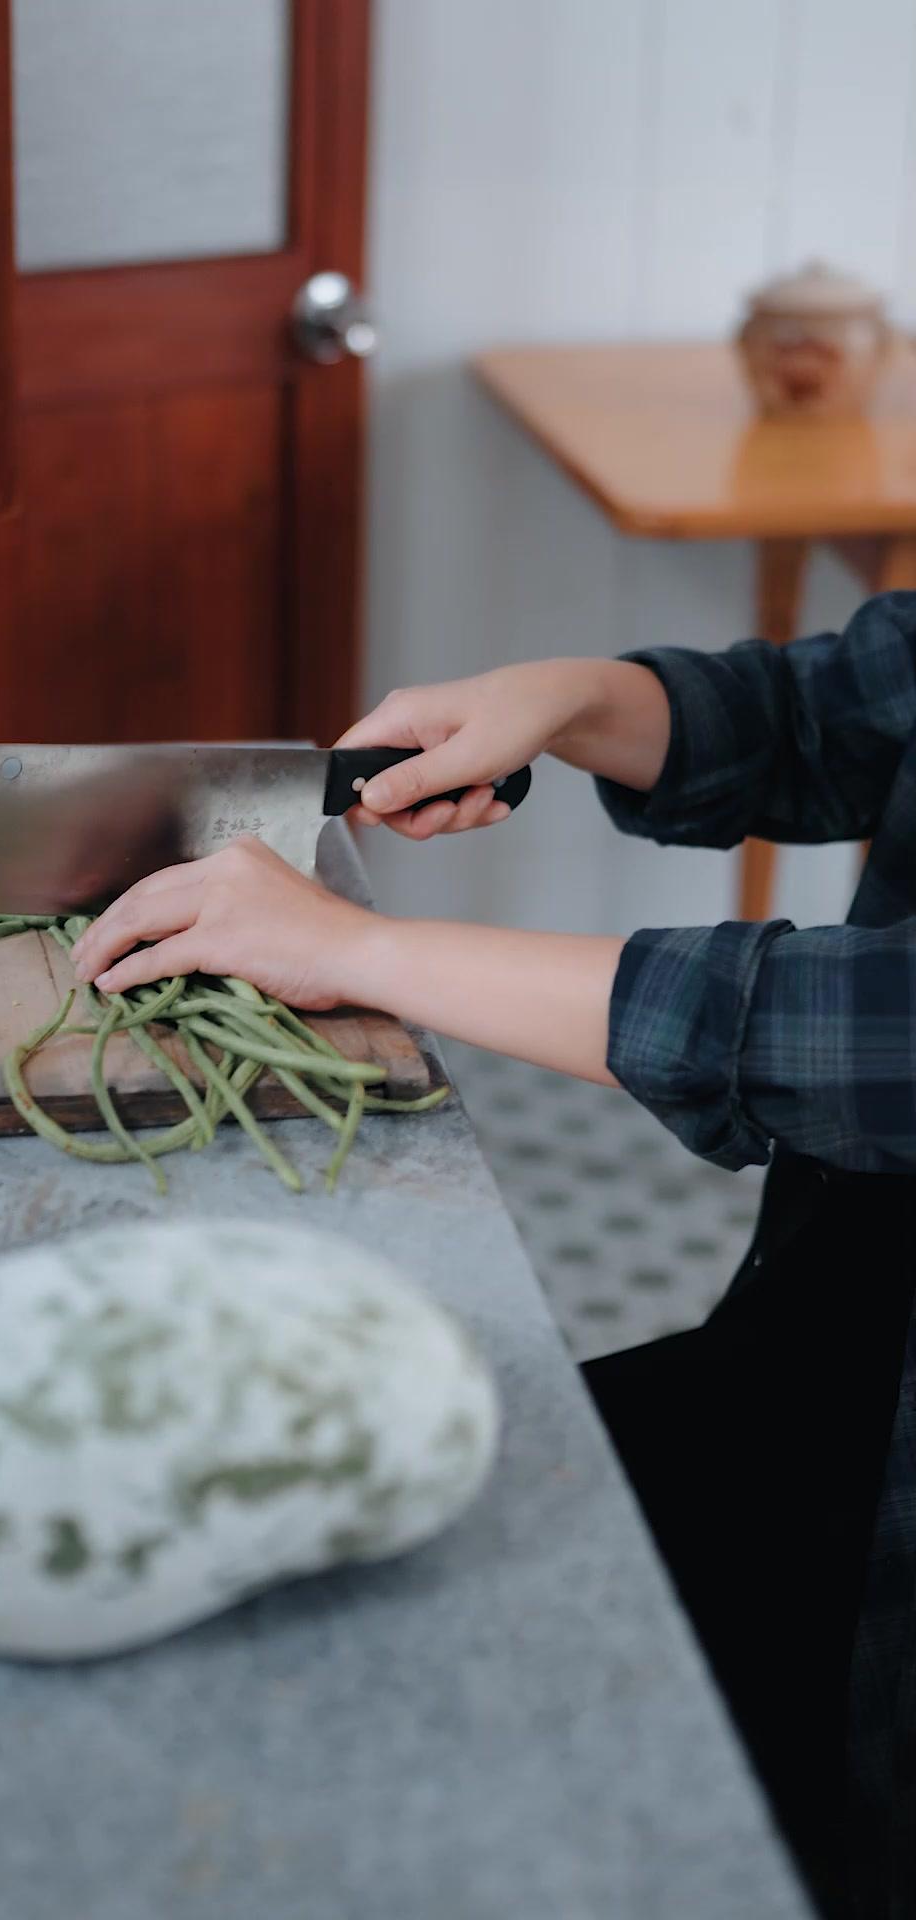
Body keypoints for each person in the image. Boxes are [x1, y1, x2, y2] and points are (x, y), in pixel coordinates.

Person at [72, 592, 916, 1919]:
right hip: (842, 1311)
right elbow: (843, 705)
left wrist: (358, 951)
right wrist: (572, 697)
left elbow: (879, 1033)